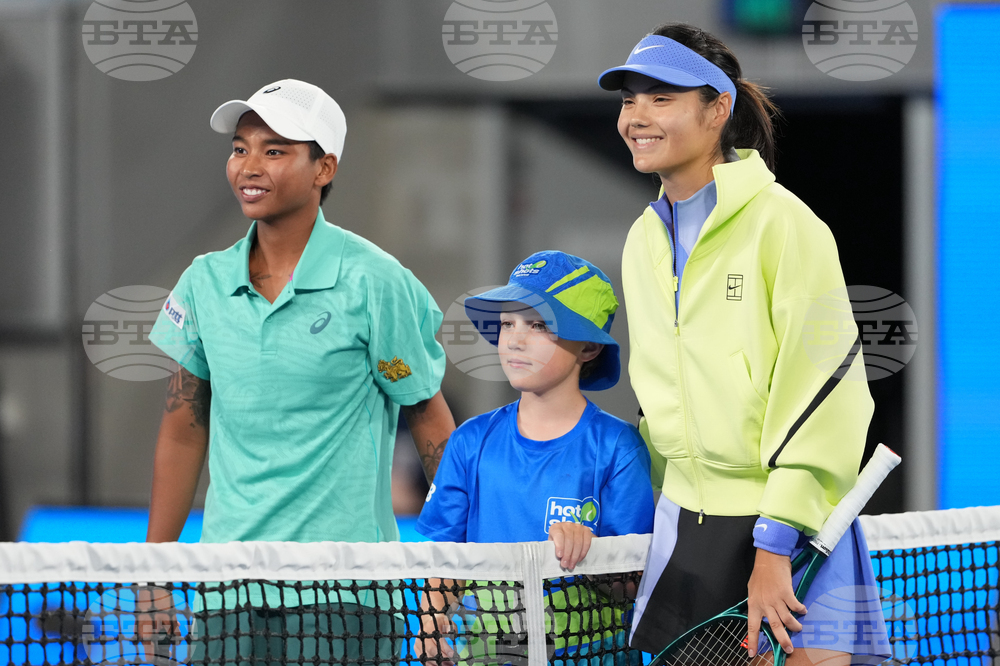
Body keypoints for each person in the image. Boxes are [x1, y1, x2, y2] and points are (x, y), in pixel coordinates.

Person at [597, 24, 891, 666]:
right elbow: (660, 395)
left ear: (718, 109)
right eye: (628, 100)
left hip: (790, 533)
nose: (637, 117)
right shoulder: (642, 241)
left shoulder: (787, 225)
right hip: (685, 528)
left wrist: (775, 543)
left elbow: (827, 389)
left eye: (661, 98)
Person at [146, 79, 456, 663]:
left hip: (348, 595)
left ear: (324, 168)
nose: (249, 166)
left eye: (274, 150)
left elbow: (429, 420)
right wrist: (153, 572)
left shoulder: (376, 281)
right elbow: (184, 430)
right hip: (227, 593)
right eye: (240, 148)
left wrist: (456, 566)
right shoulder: (203, 282)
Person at [414, 251, 655, 666]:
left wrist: (593, 554)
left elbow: (633, 585)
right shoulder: (470, 441)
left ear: (589, 347)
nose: (515, 339)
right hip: (486, 657)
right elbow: (445, 557)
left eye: (539, 325)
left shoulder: (619, 447)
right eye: (508, 323)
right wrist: (431, 620)